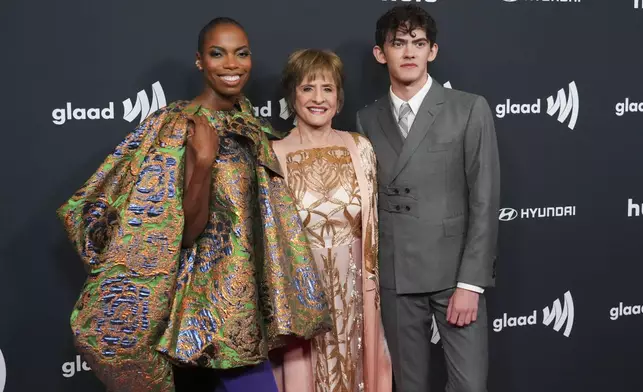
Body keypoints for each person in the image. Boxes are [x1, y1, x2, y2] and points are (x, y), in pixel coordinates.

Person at [56, 17, 331, 392]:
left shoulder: (248, 122)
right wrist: (202, 163)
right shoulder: (180, 125)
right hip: (193, 317)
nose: (232, 64)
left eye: (241, 53)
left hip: (240, 309)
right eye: (218, 54)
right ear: (200, 61)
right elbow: (185, 233)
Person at [356, 5, 500, 392]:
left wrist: (471, 283)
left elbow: (484, 201)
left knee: (470, 385)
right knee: (409, 386)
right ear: (380, 52)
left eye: (418, 43)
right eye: (398, 43)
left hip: (454, 276)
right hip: (396, 276)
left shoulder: (469, 109)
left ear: (432, 51)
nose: (409, 52)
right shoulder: (365, 120)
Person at [270, 49, 392, 392]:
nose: (318, 98)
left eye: (328, 88)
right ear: (292, 95)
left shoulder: (360, 148)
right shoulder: (274, 156)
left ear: (339, 99)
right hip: (302, 297)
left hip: (357, 294)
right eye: (308, 88)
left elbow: (371, 234)